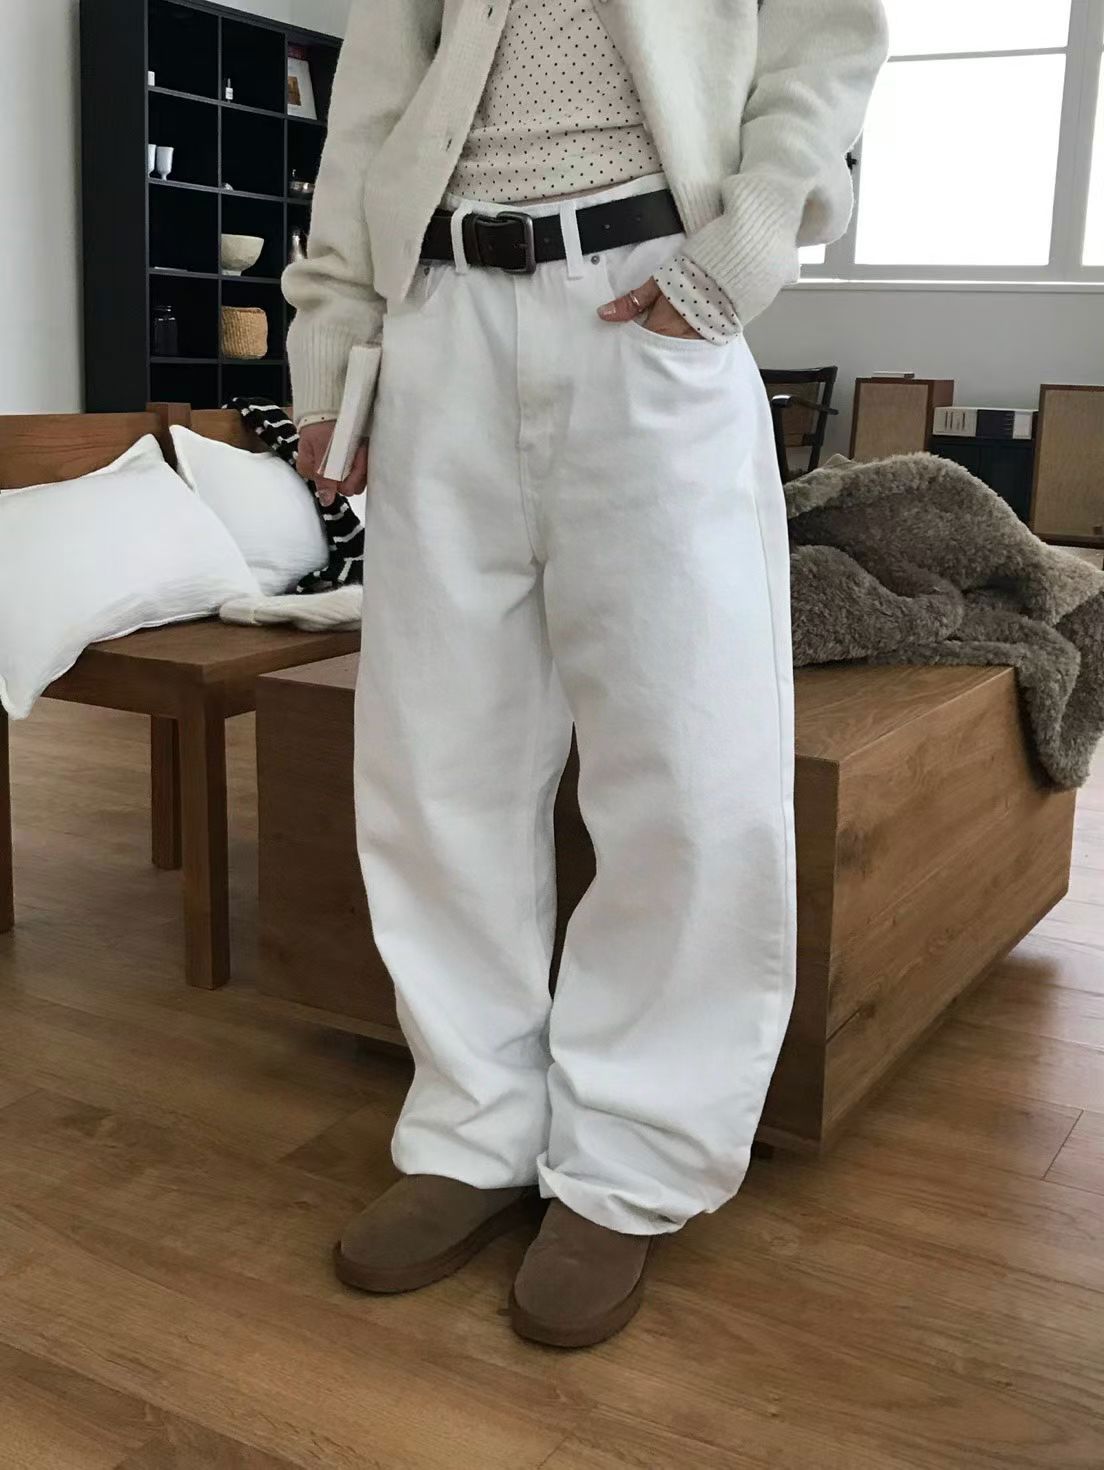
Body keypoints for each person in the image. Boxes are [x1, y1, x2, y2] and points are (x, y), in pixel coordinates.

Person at [284, 0, 888, 1349]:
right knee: (436, 761)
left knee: (688, 765)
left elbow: (828, 41)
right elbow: (370, 110)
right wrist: (332, 344)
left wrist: (743, 244)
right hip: (438, 314)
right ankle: (473, 1127)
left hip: (652, 300)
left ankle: (632, 1156)